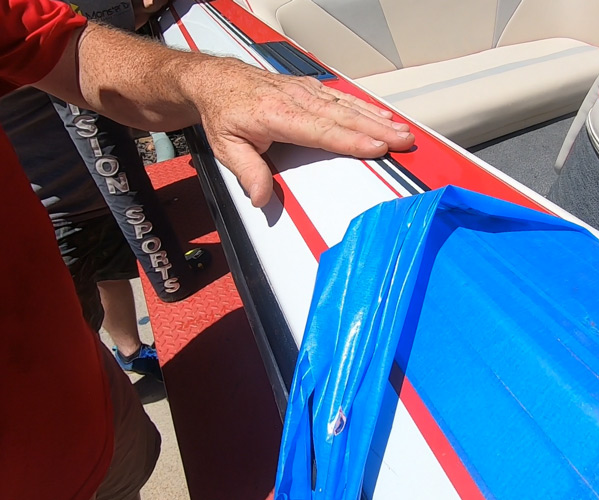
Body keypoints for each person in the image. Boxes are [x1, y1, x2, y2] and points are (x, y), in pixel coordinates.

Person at [0, 0, 414, 498]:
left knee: (106, 269)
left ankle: (128, 350)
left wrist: (208, 80)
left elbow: (66, 46)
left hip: (83, 410)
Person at [0, 0, 178, 382]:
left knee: (110, 274)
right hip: (50, 216)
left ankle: (129, 350)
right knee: (69, 335)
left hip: (107, 191)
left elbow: (129, 13)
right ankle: (98, 389)